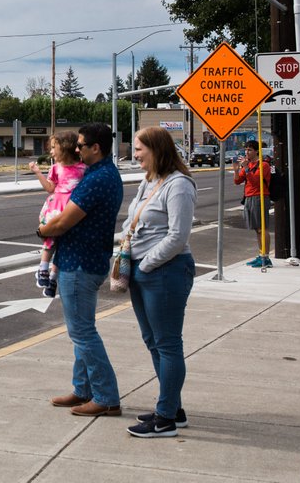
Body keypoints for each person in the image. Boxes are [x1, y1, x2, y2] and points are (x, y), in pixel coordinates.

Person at [37, 122, 124, 418]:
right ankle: (83, 389)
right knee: (81, 331)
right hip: (88, 259)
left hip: (80, 263)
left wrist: (42, 230)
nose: (76, 149)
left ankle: (106, 397)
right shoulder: (103, 174)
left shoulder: (97, 179)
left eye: (81, 145)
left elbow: (63, 222)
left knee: (83, 333)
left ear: (95, 148)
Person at [125, 126, 197, 438]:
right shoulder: (149, 181)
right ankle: (173, 408)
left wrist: (147, 265)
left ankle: (165, 418)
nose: (135, 154)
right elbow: (133, 221)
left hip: (165, 271)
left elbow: (178, 237)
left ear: (157, 149)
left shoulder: (179, 185)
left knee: (168, 345)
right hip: (143, 270)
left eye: (140, 148)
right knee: (153, 341)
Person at [28, 131, 86, 297]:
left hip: (71, 209)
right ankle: (44, 269)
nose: (51, 151)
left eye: (54, 147)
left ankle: (52, 279)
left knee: (63, 244)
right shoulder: (55, 168)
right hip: (55, 207)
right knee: (50, 239)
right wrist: (38, 172)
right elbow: (50, 188)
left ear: (66, 147)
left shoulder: (83, 168)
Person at [233, 140, 272, 268]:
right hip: (249, 197)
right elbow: (238, 181)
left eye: (249, 150)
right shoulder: (248, 165)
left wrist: (245, 168)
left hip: (260, 197)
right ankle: (261, 255)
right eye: (246, 150)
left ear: (256, 151)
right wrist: (236, 170)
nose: (247, 152)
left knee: (262, 227)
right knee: (257, 229)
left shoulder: (264, 165)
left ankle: (266, 257)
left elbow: (256, 181)